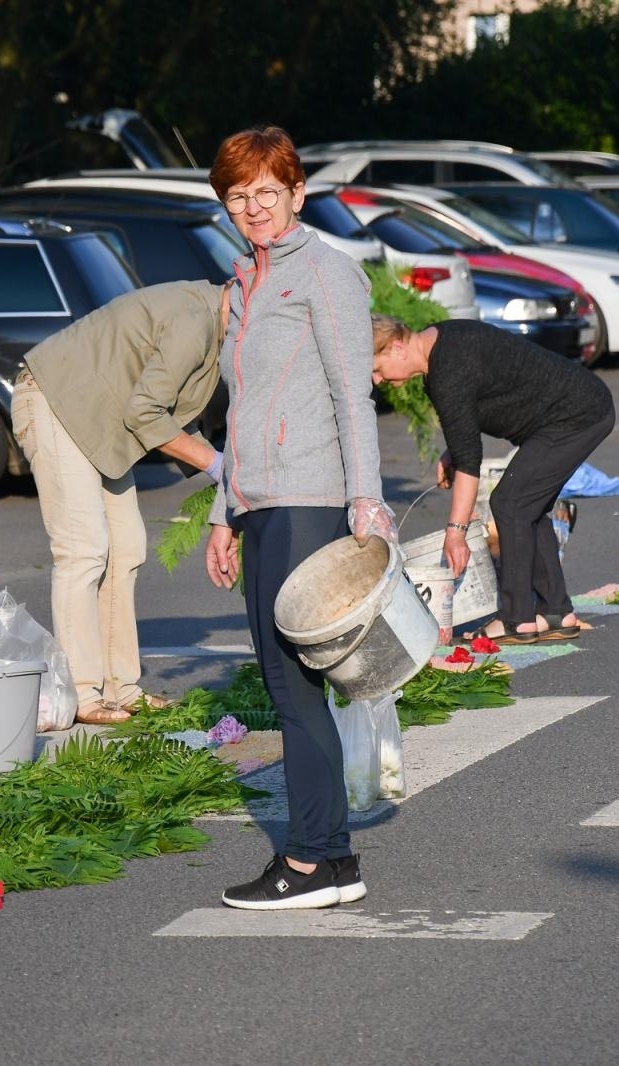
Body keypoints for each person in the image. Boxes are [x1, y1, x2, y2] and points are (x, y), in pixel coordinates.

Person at [202, 127, 392, 910]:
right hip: (259, 503)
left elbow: (355, 396)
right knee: (291, 685)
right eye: (238, 196)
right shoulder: (244, 281)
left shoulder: (328, 274)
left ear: (298, 193)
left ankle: (313, 861)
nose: (253, 208)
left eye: (266, 193)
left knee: (294, 685)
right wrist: (222, 511)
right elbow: (241, 409)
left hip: (310, 499)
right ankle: (332, 860)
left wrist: (366, 501)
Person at [12, 280, 229, 725]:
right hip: (54, 403)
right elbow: (146, 413)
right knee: (83, 549)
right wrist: (216, 466)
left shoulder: (211, 316)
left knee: (126, 546)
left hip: (93, 419)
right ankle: (80, 693)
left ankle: (121, 688)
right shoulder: (196, 321)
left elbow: (156, 411)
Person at [371, 315, 614, 644]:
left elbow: (471, 462)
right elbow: (468, 421)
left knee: (510, 503)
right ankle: (556, 611)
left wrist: (455, 532)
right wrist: (454, 451)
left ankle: (516, 619)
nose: (377, 379)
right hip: (575, 410)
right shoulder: (443, 343)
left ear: (397, 346)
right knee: (527, 504)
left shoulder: (446, 368)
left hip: (576, 414)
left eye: (377, 367)